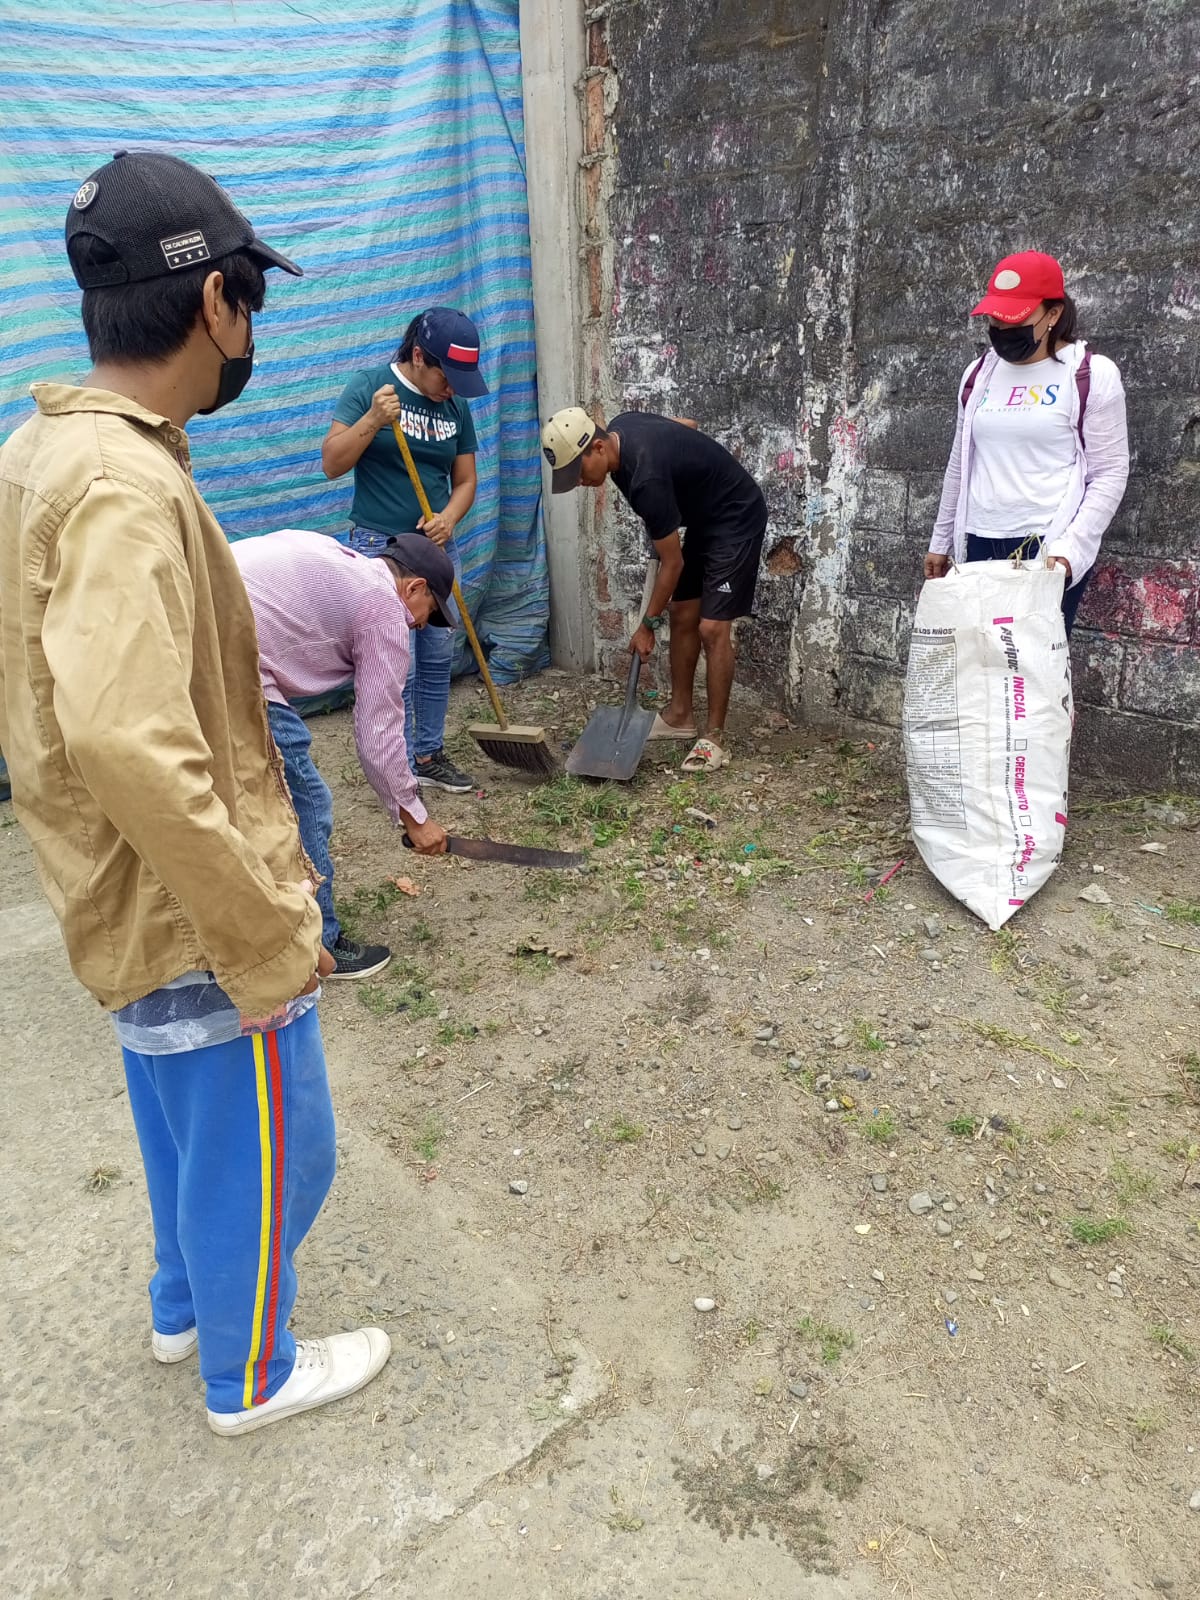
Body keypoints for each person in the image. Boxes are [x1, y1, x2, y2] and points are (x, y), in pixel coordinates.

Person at [0, 150, 391, 1437]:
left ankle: (183, 1304)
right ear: (216, 301)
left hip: (117, 890)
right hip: (186, 901)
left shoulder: (44, 448)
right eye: (250, 302)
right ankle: (251, 1371)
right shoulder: (123, 483)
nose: (251, 331)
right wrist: (262, 931)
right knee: (278, 1146)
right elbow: (127, 735)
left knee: (181, 1119)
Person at [232, 529, 452, 978]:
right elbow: (378, 730)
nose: (419, 626)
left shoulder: (343, 561)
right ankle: (320, 945)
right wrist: (415, 818)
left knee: (244, 799)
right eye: (428, 613)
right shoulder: (383, 607)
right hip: (232, 659)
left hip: (186, 640)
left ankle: (250, 925)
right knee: (307, 801)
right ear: (414, 588)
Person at [541, 407, 767, 771]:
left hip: (736, 516)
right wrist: (681, 469)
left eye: (578, 471)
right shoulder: (622, 427)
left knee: (712, 627)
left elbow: (672, 564)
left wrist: (646, 625)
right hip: (704, 517)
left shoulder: (646, 481)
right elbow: (687, 425)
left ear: (597, 447)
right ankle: (679, 716)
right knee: (683, 614)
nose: (579, 482)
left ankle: (713, 737)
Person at [322, 307, 488, 794]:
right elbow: (332, 462)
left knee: (436, 655)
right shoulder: (370, 387)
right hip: (380, 550)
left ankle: (428, 755)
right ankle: (393, 765)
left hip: (436, 551)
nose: (452, 389)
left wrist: (449, 518)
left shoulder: (455, 406)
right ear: (418, 356)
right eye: (446, 377)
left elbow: (465, 480)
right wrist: (373, 419)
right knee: (392, 662)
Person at [924, 250, 1129, 633]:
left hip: (1046, 547)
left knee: (1034, 664)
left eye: (1015, 320)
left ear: (1053, 314)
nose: (1002, 329)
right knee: (977, 659)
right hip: (978, 540)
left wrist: (1069, 550)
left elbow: (1110, 473)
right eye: (995, 319)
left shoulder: (1091, 374)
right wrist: (942, 539)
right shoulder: (979, 374)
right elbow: (960, 462)